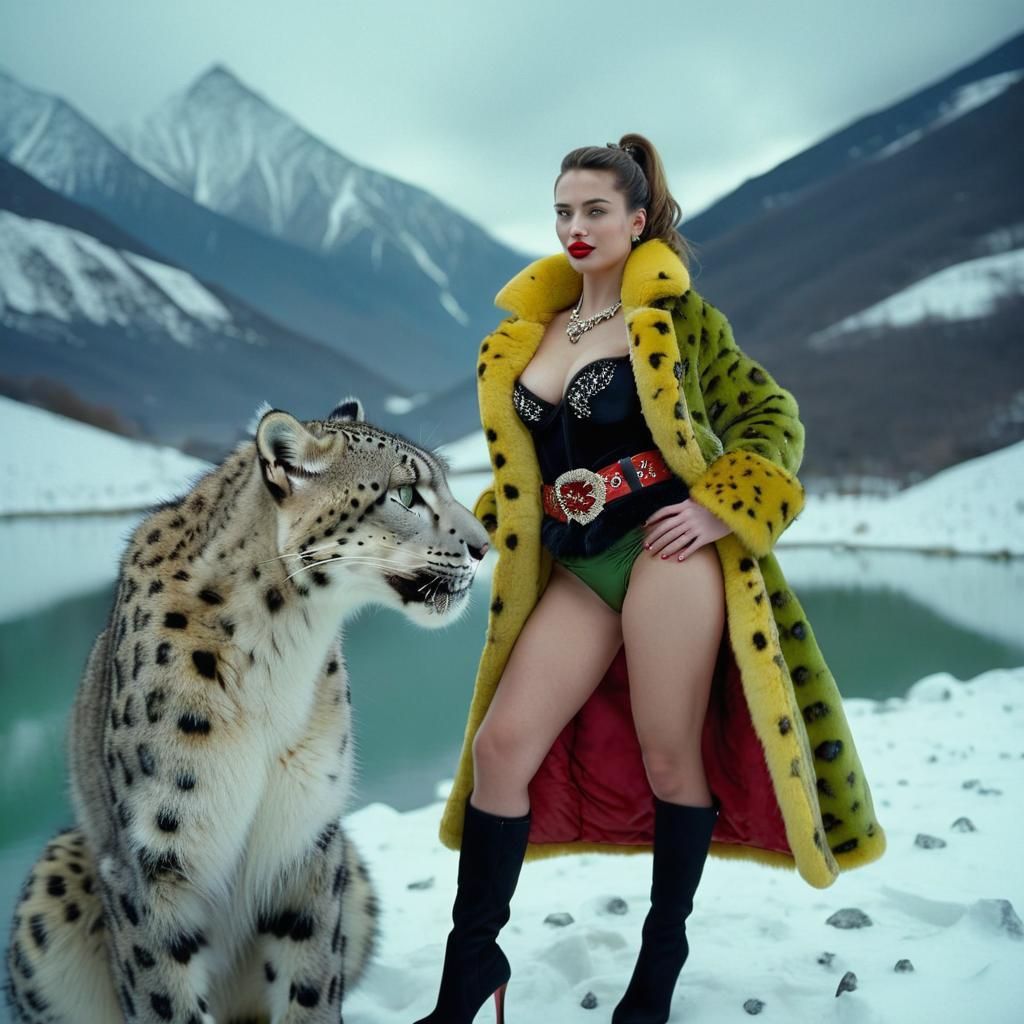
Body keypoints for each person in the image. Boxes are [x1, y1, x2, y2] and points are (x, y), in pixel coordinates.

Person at [416, 134, 885, 1024]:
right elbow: (528, 468)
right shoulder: (532, 331)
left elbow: (770, 414)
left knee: (671, 756)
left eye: (596, 210)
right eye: (563, 210)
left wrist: (721, 507)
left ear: (637, 221)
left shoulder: (675, 320)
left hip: (666, 548)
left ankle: (660, 961)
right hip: (576, 558)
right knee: (500, 750)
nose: (576, 226)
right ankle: (471, 965)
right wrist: (481, 524)